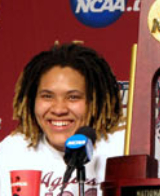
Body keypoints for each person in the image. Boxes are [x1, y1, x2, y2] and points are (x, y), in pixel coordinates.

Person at [0, 42, 125, 196]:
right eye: (47, 96)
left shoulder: (122, 147)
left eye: (73, 97)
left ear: (95, 101)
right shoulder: (13, 151)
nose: (59, 109)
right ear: (32, 101)